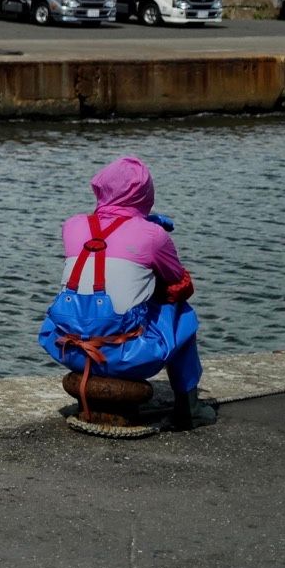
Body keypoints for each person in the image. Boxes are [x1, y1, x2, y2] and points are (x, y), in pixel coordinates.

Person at [38, 155, 207, 431]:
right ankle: (189, 408)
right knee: (181, 313)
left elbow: (105, 247)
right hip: (124, 356)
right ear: (146, 195)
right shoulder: (154, 235)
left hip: (68, 349)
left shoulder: (72, 226)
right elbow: (181, 287)